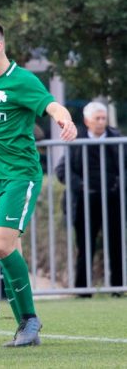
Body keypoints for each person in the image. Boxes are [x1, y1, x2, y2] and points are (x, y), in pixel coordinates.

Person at [0, 20, 77, 347]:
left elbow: (51, 104)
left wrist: (65, 119)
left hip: (20, 175)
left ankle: (29, 319)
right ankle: (26, 328)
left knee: (0, 245)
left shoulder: (22, 80)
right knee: (7, 250)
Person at [55, 101, 124, 296]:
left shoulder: (117, 139)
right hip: (84, 202)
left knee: (116, 245)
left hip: (113, 200)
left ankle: (118, 289)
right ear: (87, 121)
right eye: (97, 118)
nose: (101, 122)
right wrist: (81, 186)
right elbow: (62, 170)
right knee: (85, 246)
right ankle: (83, 291)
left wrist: (118, 183)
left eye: (103, 118)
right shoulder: (77, 140)